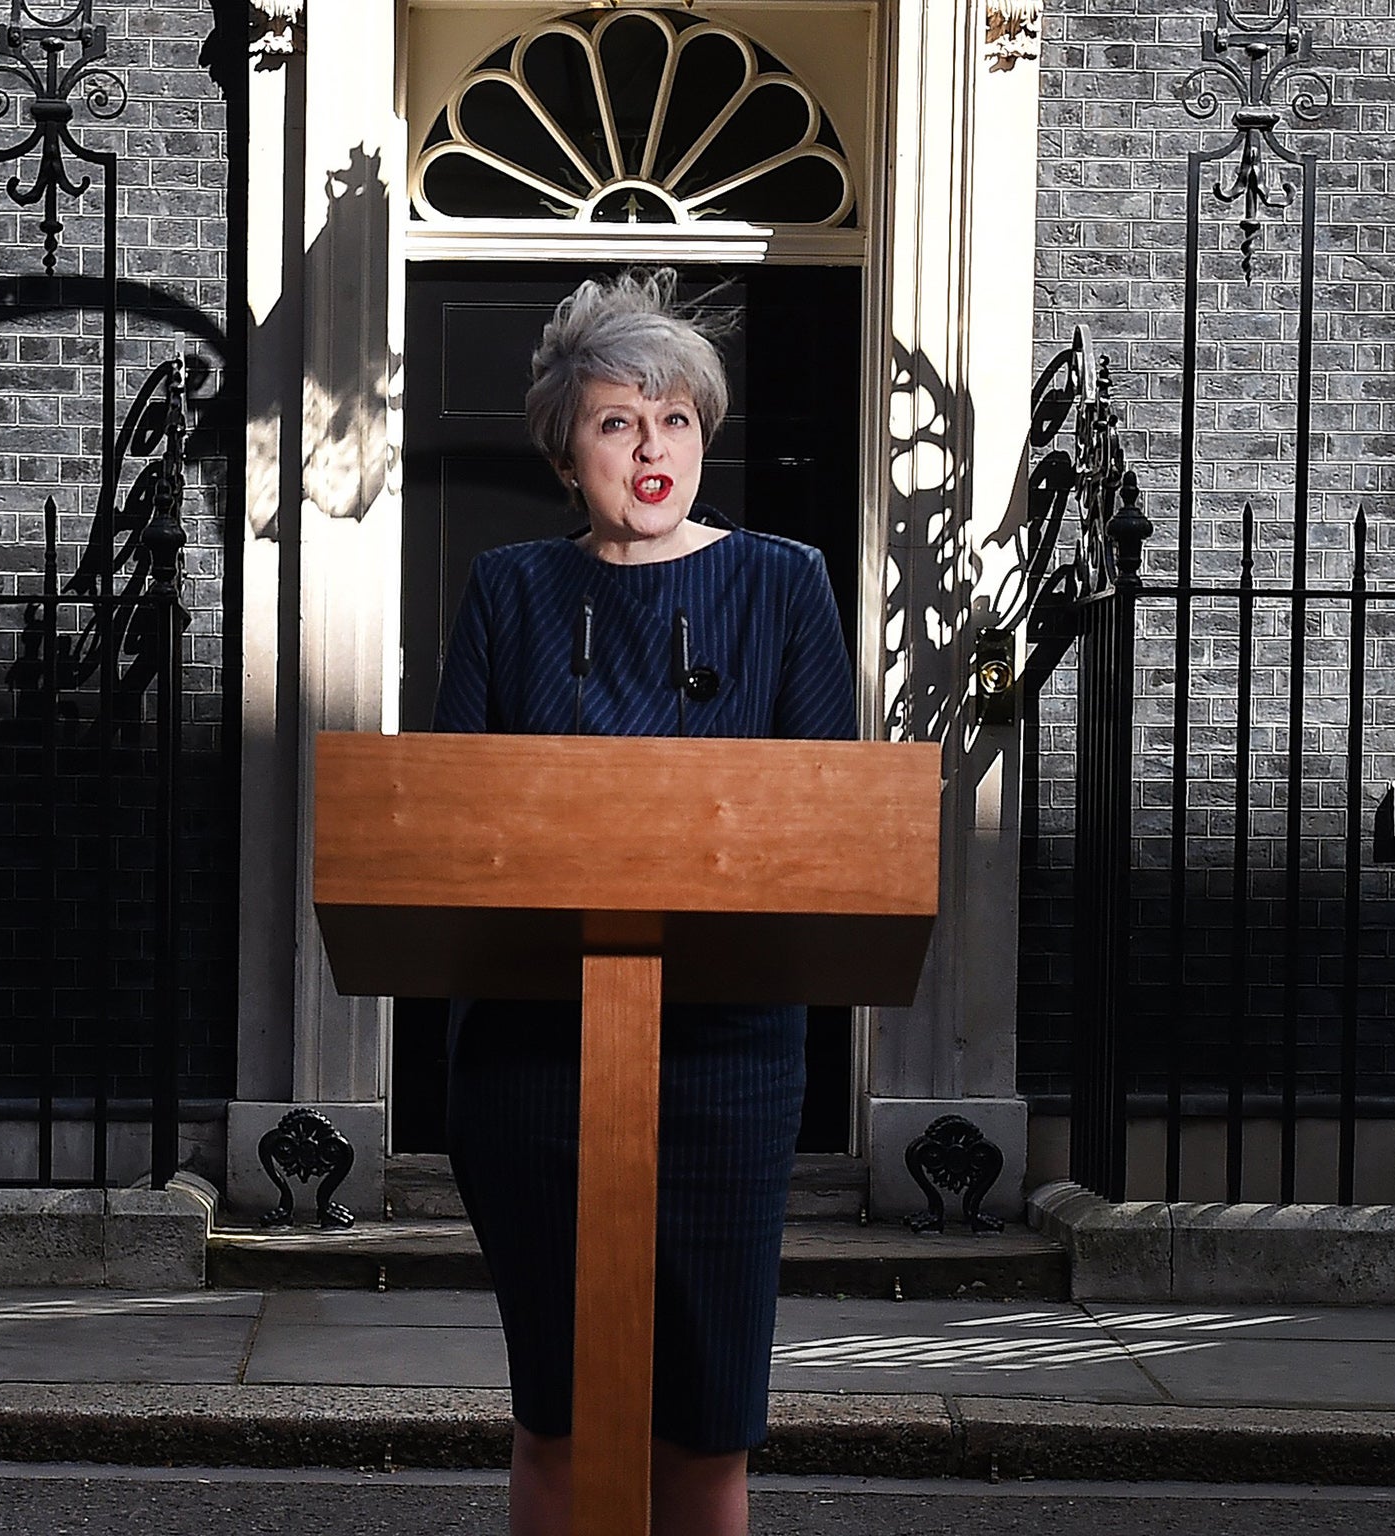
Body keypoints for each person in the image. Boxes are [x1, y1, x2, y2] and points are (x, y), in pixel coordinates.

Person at [432, 268, 856, 1536]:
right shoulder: (509, 590)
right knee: (555, 1414)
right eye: (616, 421)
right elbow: (451, 822)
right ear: (568, 449)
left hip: (723, 1057)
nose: (649, 446)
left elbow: (828, 820)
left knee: (704, 1421)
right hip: (530, 1054)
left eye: (672, 418)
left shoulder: (786, 583)